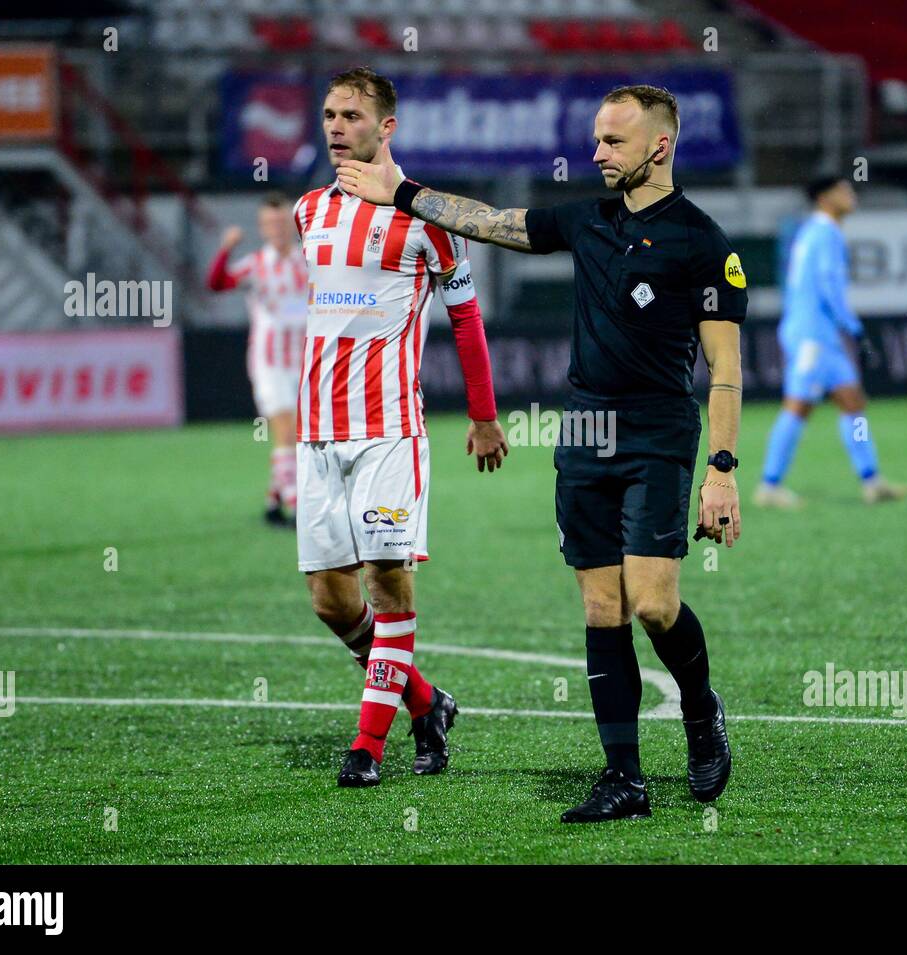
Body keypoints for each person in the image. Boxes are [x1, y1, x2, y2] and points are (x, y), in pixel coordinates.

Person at [337, 84, 742, 822]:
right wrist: (406, 193)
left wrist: (722, 470)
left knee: (653, 603)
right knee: (601, 605)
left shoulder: (703, 241)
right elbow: (492, 223)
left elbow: (727, 370)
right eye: (595, 139)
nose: (595, 153)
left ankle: (701, 709)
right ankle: (624, 779)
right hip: (584, 429)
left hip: (657, 431)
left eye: (612, 142)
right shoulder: (585, 221)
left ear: (659, 146)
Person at [295, 67, 510, 787]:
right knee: (331, 600)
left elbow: (465, 317)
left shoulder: (428, 219)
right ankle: (426, 701)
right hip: (318, 434)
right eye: (328, 113)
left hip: (390, 429)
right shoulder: (308, 212)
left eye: (351, 115)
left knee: (389, 583)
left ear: (387, 127)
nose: (334, 126)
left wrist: (483, 415)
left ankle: (366, 747)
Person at [755, 176, 907, 508]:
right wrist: (854, 328)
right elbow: (827, 286)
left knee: (853, 402)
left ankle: (872, 480)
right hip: (812, 335)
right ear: (825, 198)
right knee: (798, 406)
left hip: (820, 333)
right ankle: (769, 485)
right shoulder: (825, 234)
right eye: (844, 191)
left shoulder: (813, 232)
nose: (851, 196)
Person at [206, 193, 307, 525]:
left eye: (280, 222)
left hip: (304, 361)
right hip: (270, 363)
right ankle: (297, 507)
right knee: (286, 432)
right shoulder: (256, 264)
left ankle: (273, 502)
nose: (276, 228)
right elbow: (217, 283)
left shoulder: (307, 262)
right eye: (269, 223)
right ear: (262, 228)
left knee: (300, 434)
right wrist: (225, 248)